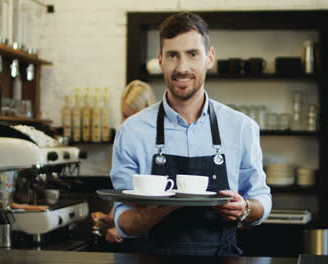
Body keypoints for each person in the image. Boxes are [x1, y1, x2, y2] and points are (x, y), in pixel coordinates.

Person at [110, 12, 271, 256]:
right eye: (172, 55)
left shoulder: (241, 128)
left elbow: (261, 200)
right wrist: (160, 209)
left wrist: (245, 208)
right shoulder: (132, 132)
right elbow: (123, 221)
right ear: (160, 60)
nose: (182, 67)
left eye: (193, 54)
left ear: (210, 58)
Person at [90, 80, 157, 244]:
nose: (129, 122)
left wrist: (123, 230)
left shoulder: (160, 143)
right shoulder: (126, 137)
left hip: (154, 234)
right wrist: (111, 219)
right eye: (125, 116)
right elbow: (125, 191)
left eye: (134, 116)